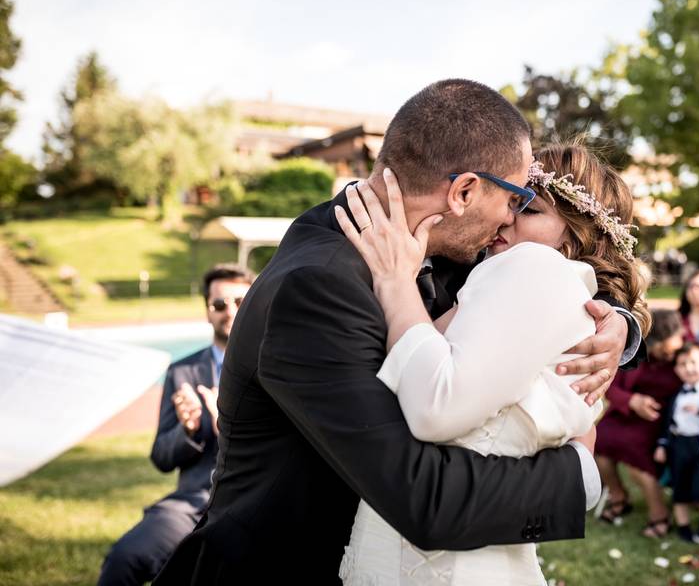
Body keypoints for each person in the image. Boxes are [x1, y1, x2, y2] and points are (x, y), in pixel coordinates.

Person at [155, 80, 641, 584]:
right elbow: (423, 497)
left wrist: (615, 323)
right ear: (464, 192)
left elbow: (544, 282)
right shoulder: (319, 285)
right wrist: (579, 473)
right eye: (514, 198)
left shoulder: (440, 247)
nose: (509, 219)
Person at [335, 143, 650, 584]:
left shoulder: (534, 265)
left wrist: (394, 281)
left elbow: (433, 407)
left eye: (530, 208)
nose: (507, 217)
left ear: (579, 236)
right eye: (510, 200)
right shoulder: (497, 271)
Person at [98, 265, 253, 586]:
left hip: (250, 504)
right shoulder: (183, 372)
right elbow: (161, 457)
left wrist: (228, 428)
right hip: (190, 505)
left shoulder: (271, 366)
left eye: (240, 301)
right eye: (220, 304)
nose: (231, 311)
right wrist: (189, 429)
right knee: (125, 558)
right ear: (207, 312)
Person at [595, 310, 699, 539]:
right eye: (657, 346)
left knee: (634, 454)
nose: (663, 351)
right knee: (598, 441)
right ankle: (619, 497)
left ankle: (659, 514)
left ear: (679, 334)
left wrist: (693, 406)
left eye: (667, 344)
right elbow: (611, 385)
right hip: (630, 410)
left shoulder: (691, 352)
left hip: (665, 419)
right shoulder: (636, 348)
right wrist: (632, 400)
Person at [654, 341, 699, 543]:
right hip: (679, 446)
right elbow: (668, 423)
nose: (688, 368)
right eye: (682, 364)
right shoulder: (676, 395)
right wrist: (662, 445)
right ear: (676, 369)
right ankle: (683, 526)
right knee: (680, 487)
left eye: (693, 362)